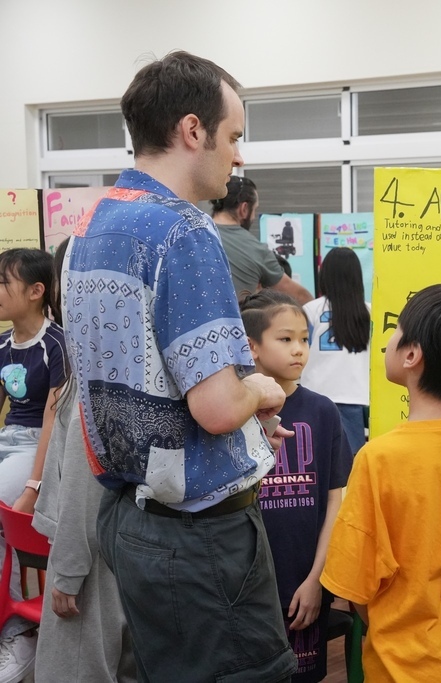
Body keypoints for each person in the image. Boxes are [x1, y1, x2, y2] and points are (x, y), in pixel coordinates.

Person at [62, 51, 297, 681]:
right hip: (198, 542)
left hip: (129, 522)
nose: (239, 156)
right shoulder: (183, 234)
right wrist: (260, 388)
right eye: (234, 136)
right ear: (193, 131)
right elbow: (217, 407)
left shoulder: (89, 227)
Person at [320, 283, 441, 682]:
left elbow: (356, 589)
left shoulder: (378, 457)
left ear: (412, 354)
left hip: (406, 663)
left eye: (395, 329)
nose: (387, 340)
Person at [33, 237, 136, 682]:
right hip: (125, 549)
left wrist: (68, 572)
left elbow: (81, 485)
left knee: (77, 668)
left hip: (89, 557)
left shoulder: (91, 377)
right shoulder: (123, 362)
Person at [239, 290, 351, 683]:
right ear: (251, 346)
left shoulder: (323, 411)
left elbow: (336, 501)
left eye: (304, 339)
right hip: (246, 587)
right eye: (285, 339)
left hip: (304, 580)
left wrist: (318, 579)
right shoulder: (231, 412)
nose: (299, 350)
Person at [0, 248, 65, 682]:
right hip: (8, 442)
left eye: (4, 283)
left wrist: (33, 485)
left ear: (36, 291)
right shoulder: (3, 344)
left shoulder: (56, 343)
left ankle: (19, 630)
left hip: (39, 448)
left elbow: (52, 421)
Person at [301, 247, 370, 456]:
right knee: (351, 465)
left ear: (325, 275)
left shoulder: (310, 310)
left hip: (315, 396)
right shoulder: (369, 311)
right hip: (358, 398)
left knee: (318, 461)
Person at [210, 175, 312, 304]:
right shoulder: (256, 250)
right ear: (244, 209)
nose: (253, 216)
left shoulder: (192, 232)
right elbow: (300, 296)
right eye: (255, 209)